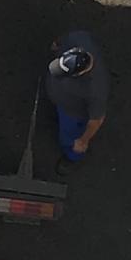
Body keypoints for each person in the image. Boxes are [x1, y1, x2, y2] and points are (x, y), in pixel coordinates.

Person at [45, 31, 109, 168]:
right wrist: (56, 44)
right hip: (62, 99)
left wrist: (82, 140)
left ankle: (72, 156)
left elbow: (97, 120)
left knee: (69, 137)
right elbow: (61, 40)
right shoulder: (78, 38)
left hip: (71, 112)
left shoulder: (95, 89)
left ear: (80, 73)